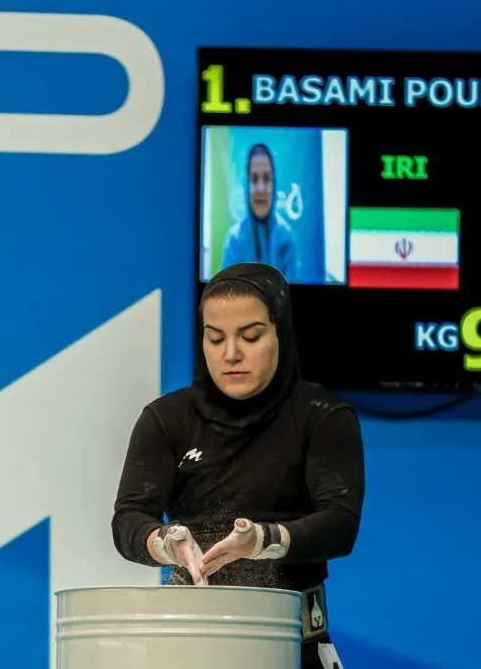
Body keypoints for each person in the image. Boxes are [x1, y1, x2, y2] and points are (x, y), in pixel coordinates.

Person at [112, 263, 364, 668]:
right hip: (186, 645)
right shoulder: (166, 419)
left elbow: (340, 524)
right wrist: (165, 543)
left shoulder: (322, 416)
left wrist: (263, 540)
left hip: (293, 645)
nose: (231, 353)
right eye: (215, 338)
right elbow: (128, 519)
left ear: (280, 333)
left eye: (250, 336)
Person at [220, 143, 301, 282]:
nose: (261, 188)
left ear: (274, 184)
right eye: (254, 179)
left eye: (267, 179)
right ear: (246, 185)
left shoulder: (286, 239)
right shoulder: (234, 241)